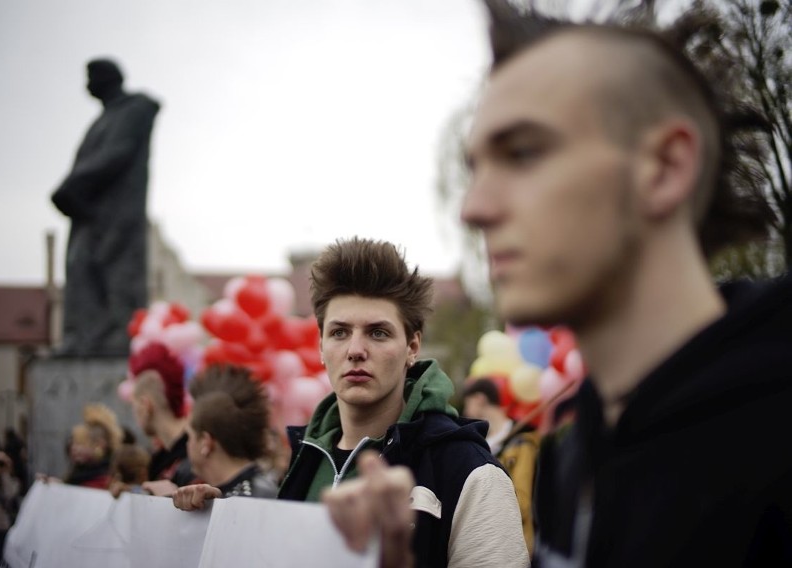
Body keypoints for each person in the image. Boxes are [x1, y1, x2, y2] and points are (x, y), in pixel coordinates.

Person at [324, 7, 792, 568]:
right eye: (476, 166)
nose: (474, 207)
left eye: (523, 153)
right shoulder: (574, 458)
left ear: (666, 166)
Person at [278, 237, 528, 568]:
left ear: (412, 347)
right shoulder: (295, 460)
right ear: (321, 346)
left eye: (378, 333)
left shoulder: (470, 472)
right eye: (339, 332)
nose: (355, 349)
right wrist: (215, 518)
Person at [51, 57, 160, 356]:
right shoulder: (106, 117)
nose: (87, 84)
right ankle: (83, 338)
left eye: (91, 76)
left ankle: (117, 336)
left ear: (108, 78)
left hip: (116, 212)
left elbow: (118, 153)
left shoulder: (134, 109)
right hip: (89, 212)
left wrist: (73, 184)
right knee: (80, 268)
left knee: (115, 270)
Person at [171, 364, 279, 511]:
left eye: (189, 436)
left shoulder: (251, 502)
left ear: (205, 442)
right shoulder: (260, 492)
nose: (187, 445)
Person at [462, 378, 539, 557]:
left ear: (480, 399)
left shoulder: (522, 444)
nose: (466, 411)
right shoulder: (477, 445)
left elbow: (522, 503)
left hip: (512, 546)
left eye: (468, 403)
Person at [126, 342, 199, 495]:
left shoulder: (197, 453)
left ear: (146, 406)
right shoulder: (165, 457)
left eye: (134, 405)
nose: (134, 414)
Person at [64, 403, 124, 489]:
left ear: (100, 444)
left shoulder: (108, 478)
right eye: (74, 443)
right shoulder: (76, 472)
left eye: (81, 443)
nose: (74, 448)